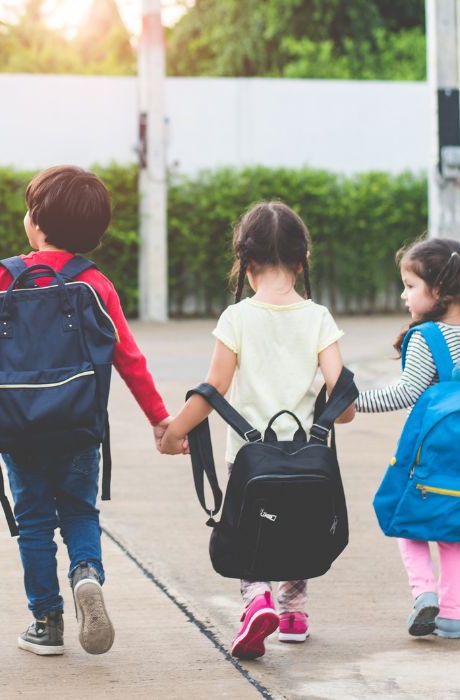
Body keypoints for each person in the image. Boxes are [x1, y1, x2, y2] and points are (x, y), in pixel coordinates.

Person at [0, 165, 170, 656]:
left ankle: (47, 623)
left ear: (37, 223)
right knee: (80, 511)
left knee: (35, 522)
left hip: (19, 426)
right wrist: (158, 418)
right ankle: (86, 574)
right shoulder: (95, 283)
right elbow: (129, 358)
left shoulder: (8, 276)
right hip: (79, 424)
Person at [159, 200, 354, 660]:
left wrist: (173, 432)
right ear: (302, 261)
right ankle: (293, 614)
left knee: (251, 529)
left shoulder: (237, 318)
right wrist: (330, 413)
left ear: (245, 263)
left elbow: (213, 389)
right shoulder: (319, 318)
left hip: (249, 458)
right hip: (307, 456)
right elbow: (343, 402)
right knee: (299, 523)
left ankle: (257, 601)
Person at [355, 238, 460, 641]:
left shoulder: (427, 337)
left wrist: (352, 403)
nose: (403, 294)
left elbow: (405, 393)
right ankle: (452, 616)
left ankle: (424, 592)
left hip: (427, 453)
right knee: (453, 532)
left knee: (404, 519)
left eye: (410, 286)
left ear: (439, 290)